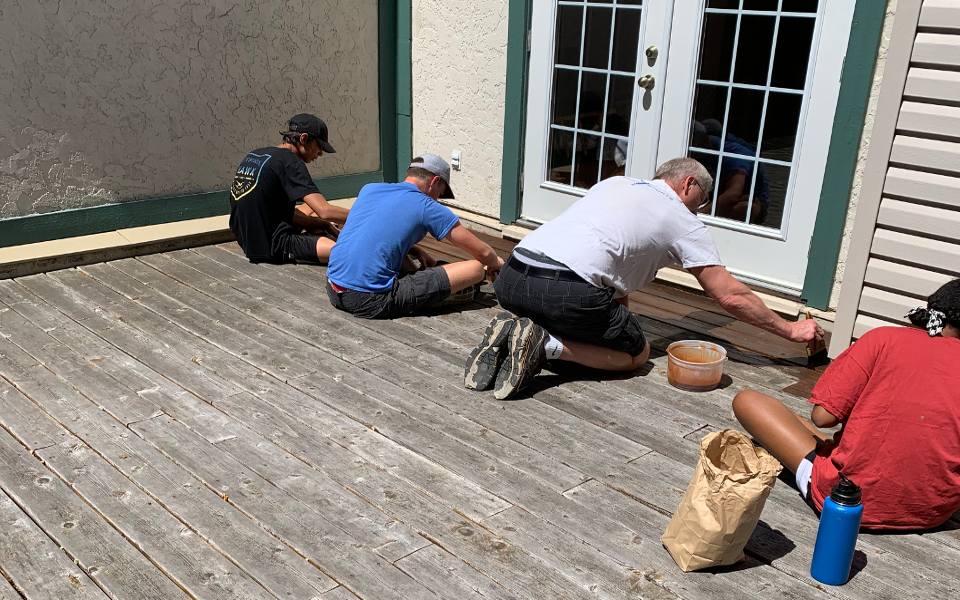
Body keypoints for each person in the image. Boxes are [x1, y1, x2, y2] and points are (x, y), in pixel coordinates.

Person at [463, 157, 823, 400]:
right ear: (689, 184)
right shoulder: (683, 219)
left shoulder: (617, 184)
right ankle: (543, 345)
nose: (701, 208)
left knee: (584, 316)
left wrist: (620, 317)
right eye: (702, 199)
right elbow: (730, 295)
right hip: (563, 287)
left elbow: (608, 261)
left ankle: (516, 330)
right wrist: (791, 331)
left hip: (511, 277)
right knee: (635, 354)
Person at [733, 279, 960, 529]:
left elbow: (823, 417)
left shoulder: (883, 339)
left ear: (928, 309)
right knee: (799, 423)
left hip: (845, 499)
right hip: (931, 513)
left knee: (748, 400)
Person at [325, 154, 504, 319]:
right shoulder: (427, 205)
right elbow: (483, 253)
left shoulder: (370, 189)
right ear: (434, 181)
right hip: (371, 300)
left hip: (333, 288)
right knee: (475, 269)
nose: (437, 200)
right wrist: (497, 264)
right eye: (440, 194)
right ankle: (434, 297)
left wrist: (413, 249)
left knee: (409, 265)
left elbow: (377, 233)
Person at [229, 114, 349, 264]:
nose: (320, 153)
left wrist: (324, 225)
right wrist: (367, 217)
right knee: (346, 252)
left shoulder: (258, 154)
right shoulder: (290, 162)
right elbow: (324, 211)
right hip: (273, 245)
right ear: (304, 139)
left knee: (310, 208)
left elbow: (282, 210)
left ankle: (320, 233)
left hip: (247, 238)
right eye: (319, 146)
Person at [692, 119, 770, 224]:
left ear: (705, 141)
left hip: (748, 199)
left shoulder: (736, 155)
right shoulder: (709, 143)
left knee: (745, 207)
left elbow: (732, 195)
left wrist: (696, 216)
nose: (691, 154)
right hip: (717, 192)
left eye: (693, 149)